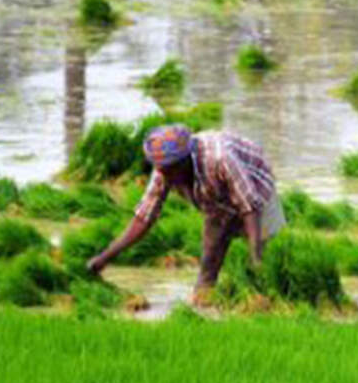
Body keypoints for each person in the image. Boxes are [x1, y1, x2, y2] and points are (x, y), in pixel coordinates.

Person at [87, 124, 284, 299]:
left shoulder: (220, 158)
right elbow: (144, 218)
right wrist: (105, 258)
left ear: (185, 160)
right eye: (161, 169)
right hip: (214, 200)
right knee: (210, 255)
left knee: (267, 253)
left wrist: (256, 258)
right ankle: (204, 298)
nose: (165, 176)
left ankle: (270, 295)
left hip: (254, 185)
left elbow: (250, 207)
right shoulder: (165, 169)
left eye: (170, 170)